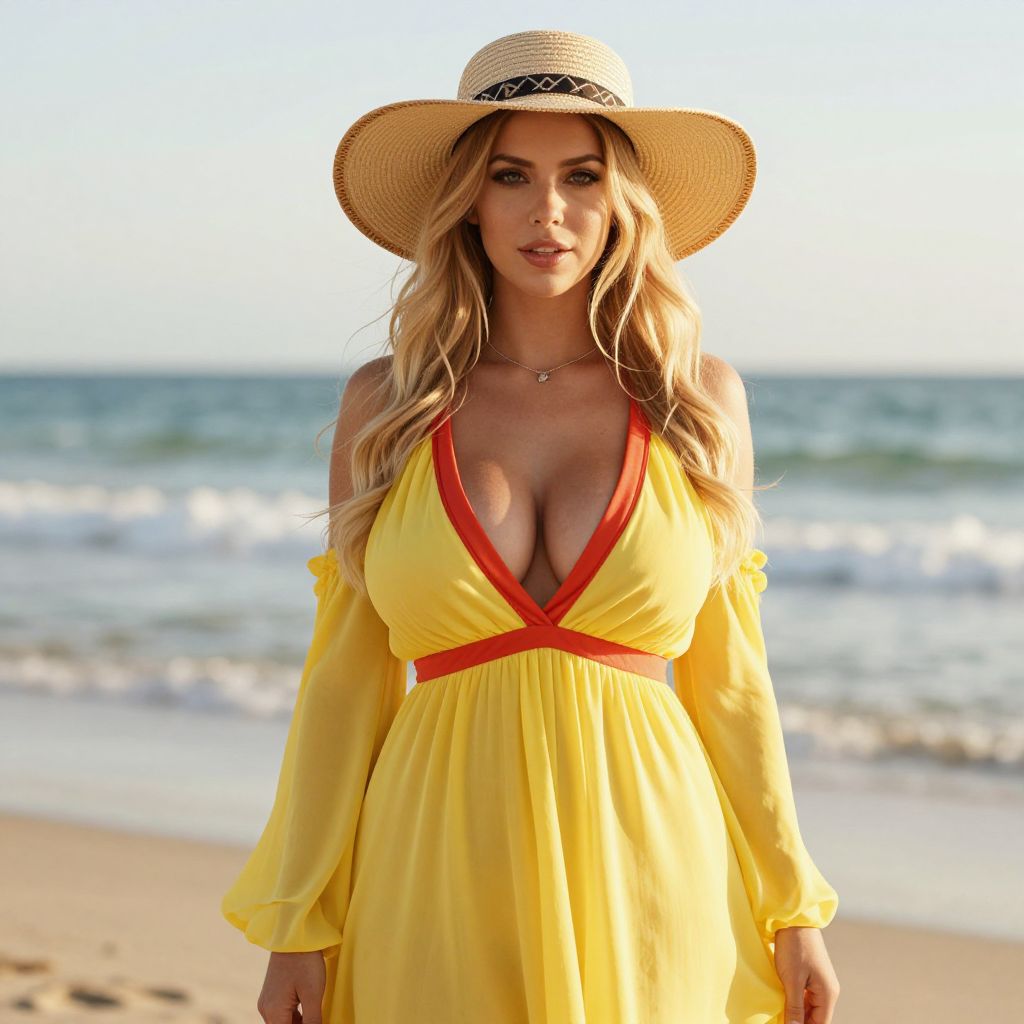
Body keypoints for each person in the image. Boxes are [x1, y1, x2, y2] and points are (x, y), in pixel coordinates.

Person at [221, 28, 841, 1024]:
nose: (546, 212)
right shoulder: (386, 405)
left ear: (620, 201)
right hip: (433, 855)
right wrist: (300, 918)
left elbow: (732, 682)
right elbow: (342, 677)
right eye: (511, 174)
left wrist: (790, 904)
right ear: (468, 195)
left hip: (651, 861)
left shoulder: (696, 399)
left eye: (581, 176)